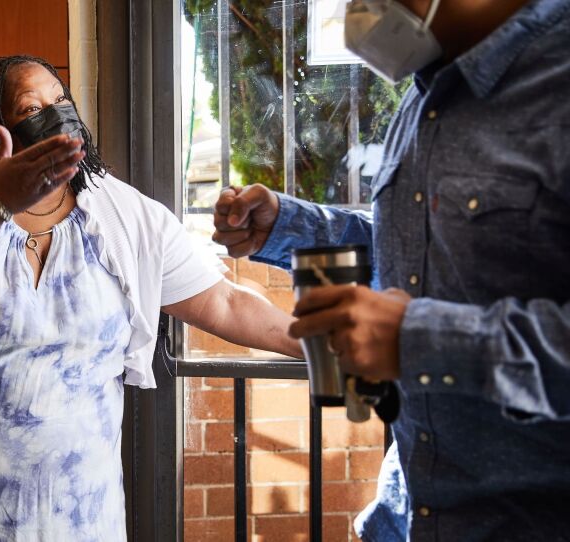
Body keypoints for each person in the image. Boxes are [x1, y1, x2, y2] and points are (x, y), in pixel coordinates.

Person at [0, 55, 301, 541]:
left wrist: (319, 346)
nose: (55, 113)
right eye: (31, 108)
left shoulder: (122, 213)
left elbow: (224, 303)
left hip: (70, 507)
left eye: (61, 99)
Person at [213, 0, 570, 540]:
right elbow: (423, 250)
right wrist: (290, 227)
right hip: (404, 518)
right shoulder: (424, 94)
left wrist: (425, 341)